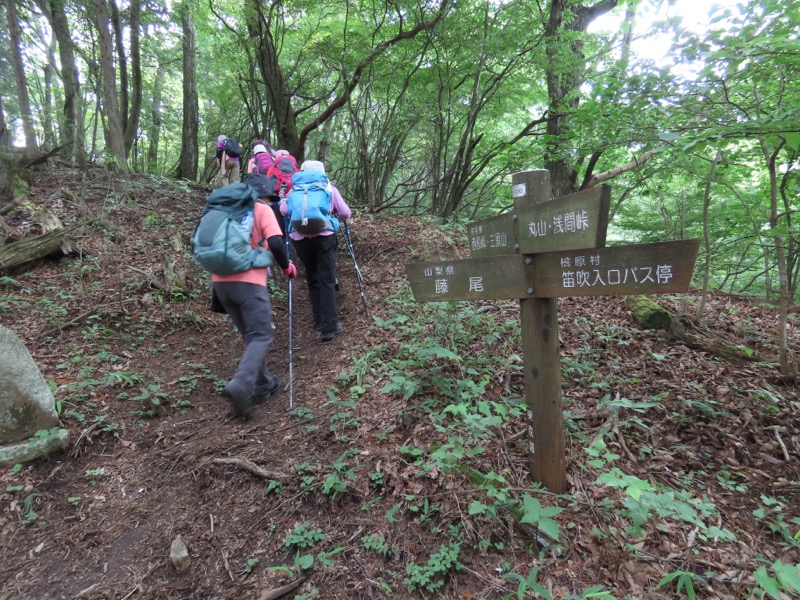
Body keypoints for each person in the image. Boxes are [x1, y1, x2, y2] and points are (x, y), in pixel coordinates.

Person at [212, 195, 298, 419]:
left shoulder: (227, 207)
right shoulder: (261, 208)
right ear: (265, 195)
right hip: (247, 281)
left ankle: (262, 385)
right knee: (261, 334)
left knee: (251, 334)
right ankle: (241, 384)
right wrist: (286, 267)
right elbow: (277, 242)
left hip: (220, 282)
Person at [281, 160, 351, 342]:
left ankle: (319, 321)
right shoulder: (328, 188)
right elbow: (345, 213)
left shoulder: (294, 189)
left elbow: (283, 211)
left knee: (312, 278)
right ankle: (329, 327)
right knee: (327, 279)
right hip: (324, 236)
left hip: (300, 239)